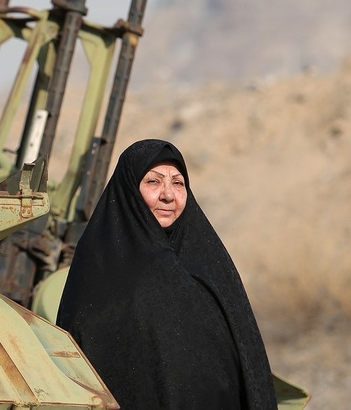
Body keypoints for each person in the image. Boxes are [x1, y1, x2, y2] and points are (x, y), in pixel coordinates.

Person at [57, 139, 276, 409]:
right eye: (153, 182)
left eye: (178, 183)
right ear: (129, 191)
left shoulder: (209, 260)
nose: (168, 195)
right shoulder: (100, 266)